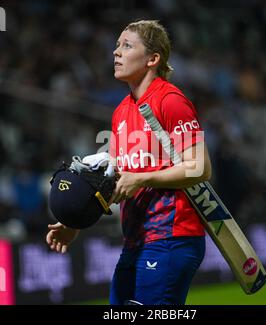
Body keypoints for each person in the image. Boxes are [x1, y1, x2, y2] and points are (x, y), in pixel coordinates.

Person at [46, 20, 212, 305]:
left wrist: (143, 178)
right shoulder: (121, 112)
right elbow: (119, 182)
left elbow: (200, 168)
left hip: (171, 237)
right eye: (116, 45)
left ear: (153, 58)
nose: (115, 52)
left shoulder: (171, 101)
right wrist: (75, 221)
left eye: (126, 45)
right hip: (136, 239)